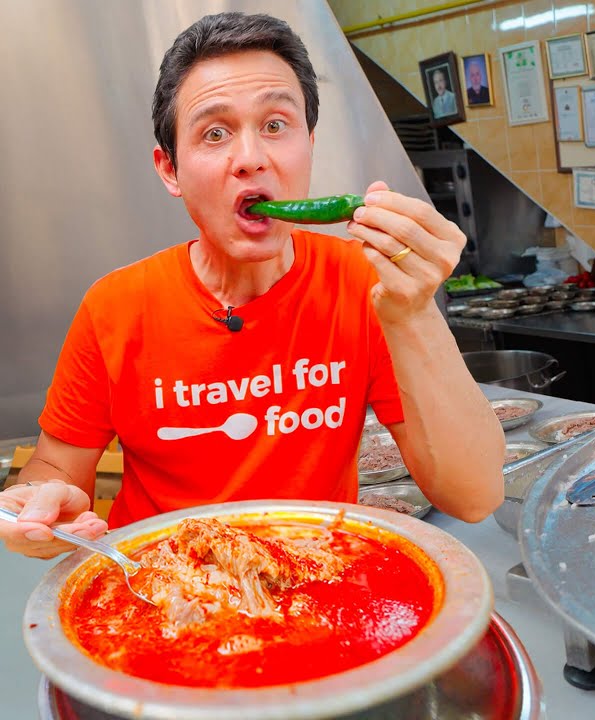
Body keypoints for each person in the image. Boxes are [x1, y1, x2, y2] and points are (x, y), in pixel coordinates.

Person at [1, 12, 504, 559]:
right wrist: (44, 504)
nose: (251, 158)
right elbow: (53, 467)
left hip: (315, 584)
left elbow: (474, 496)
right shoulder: (115, 307)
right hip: (160, 591)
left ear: (308, 144)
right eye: (215, 133)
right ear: (169, 170)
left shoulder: (364, 284)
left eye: (275, 125)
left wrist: (414, 313)